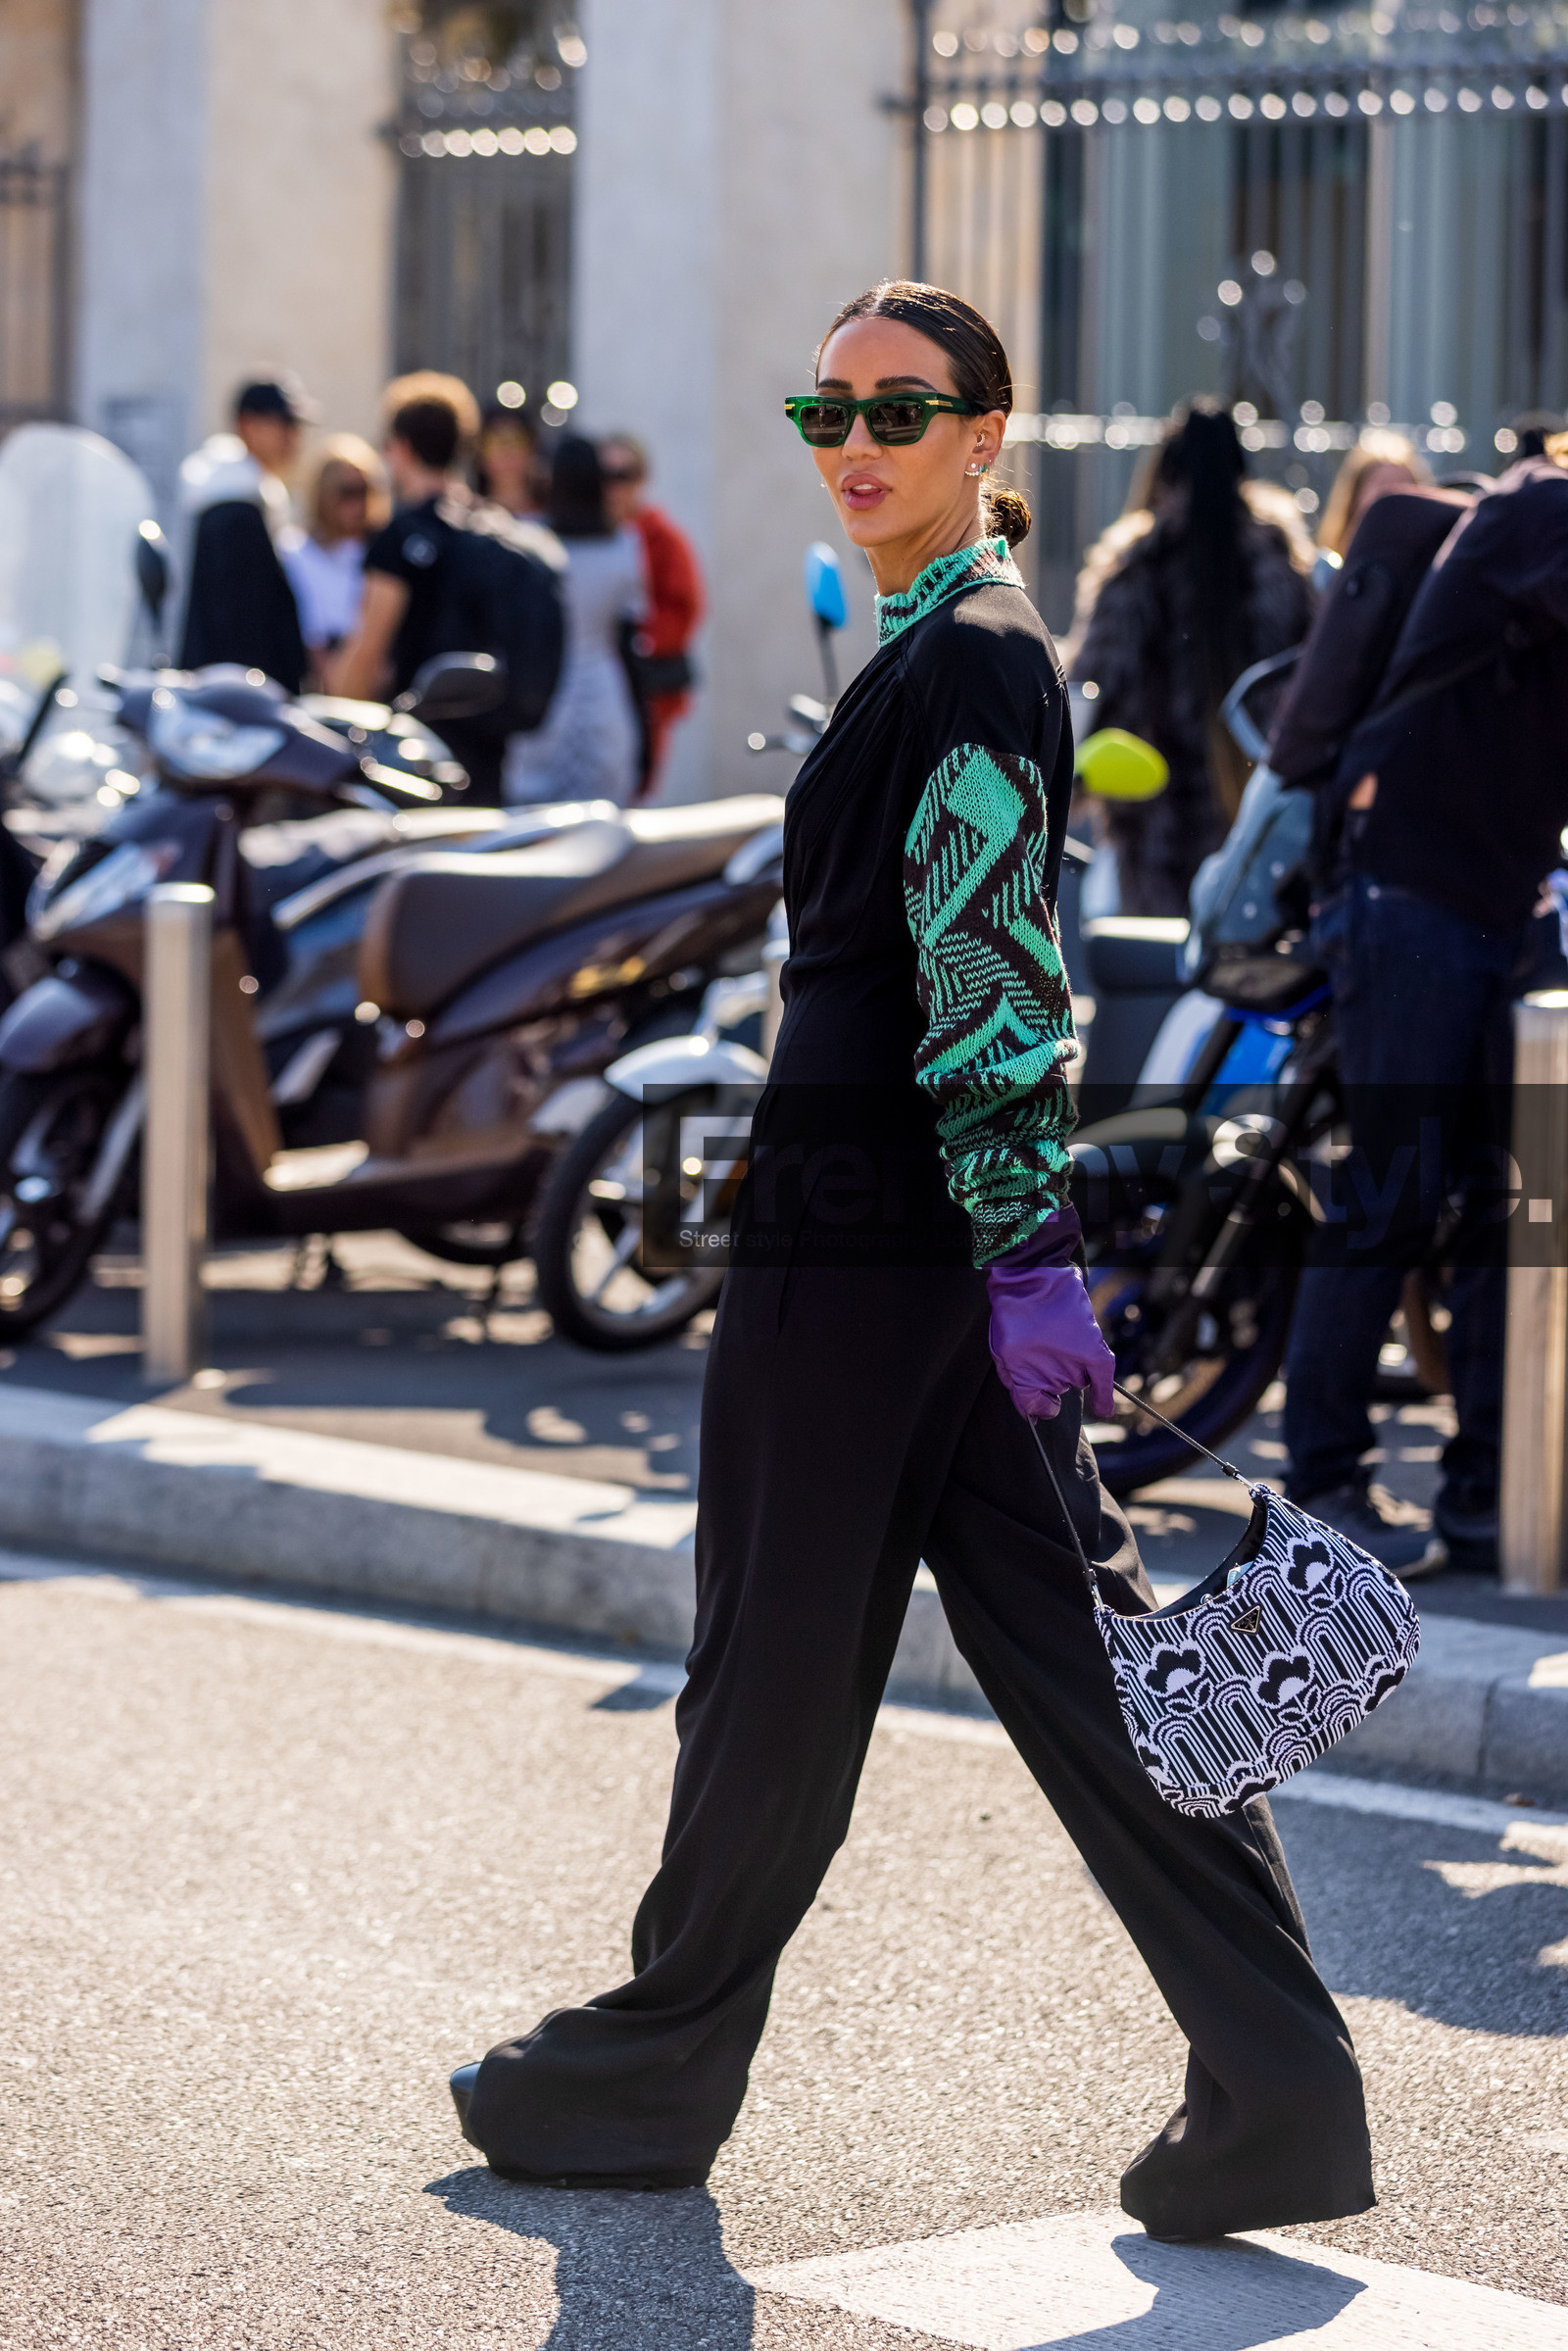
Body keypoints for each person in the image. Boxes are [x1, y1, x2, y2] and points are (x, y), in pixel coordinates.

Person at [449, 281, 1374, 2244]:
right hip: (932, 1239)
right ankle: (1279, 2078)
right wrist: (1009, 1245)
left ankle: (643, 2062)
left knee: (767, 1659)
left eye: (902, 407)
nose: (854, 438)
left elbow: (980, 961)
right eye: (828, 407)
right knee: (1096, 1664)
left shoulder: (963, 661)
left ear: (986, 437)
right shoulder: (951, 643)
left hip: (871, 1236)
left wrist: (1021, 1236)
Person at [1281, 437, 1568, 1573]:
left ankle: (1490, 1492)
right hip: (1406, 892)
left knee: (1514, 1203)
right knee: (1391, 1194)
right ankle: (1323, 1486)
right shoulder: (1540, 511)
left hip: (1499, 900)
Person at [1064, 402, 1314, 917]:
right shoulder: (1284, 564)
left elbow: (1087, 693)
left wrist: (1072, 785)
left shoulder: (1135, 564)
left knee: (1159, 978)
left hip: (1157, 829)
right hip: (1261, 824)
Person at [328, 372, 565, 802]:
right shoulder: (489, 526)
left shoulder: (403, 535)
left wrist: (332, 723)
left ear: (401, 447)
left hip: (414, 761)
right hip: (487, 757)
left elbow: (366, 652)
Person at [502, 436, 647, 808]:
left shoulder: (526, 540)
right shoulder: (626, 544)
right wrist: (646, 730)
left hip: (542, 698)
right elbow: (633, 646)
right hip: (605, 698)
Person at [177, 374, 313, 691]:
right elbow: (241, 623)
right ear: (248, 424)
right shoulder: (233, 507)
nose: (294, 436)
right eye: (284, 423)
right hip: (238, 696)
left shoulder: (250, 495)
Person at [601, 434, 705, 798]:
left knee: (634, 789)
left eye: (623, 475)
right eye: (604, 475)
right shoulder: (584, 534)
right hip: (593, 683)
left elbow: (683, 610)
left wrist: (631, 642)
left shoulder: (663, 538)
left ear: (641, 480)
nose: (613, 487)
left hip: (645, 688)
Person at [278, 435, 390, 685]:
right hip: (310, 673)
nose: (358, 504)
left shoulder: (382, 551)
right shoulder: (294, 549)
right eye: (347, 492)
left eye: (365, 491)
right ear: (324, 493)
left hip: (370, 669)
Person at [1316, 430, 1429, 562]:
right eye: (1383, 486)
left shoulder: (1431, 567)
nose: (1394, 500)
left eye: (1404, 487)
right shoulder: (1328, 567)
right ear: (1354, 497)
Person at [476, 402, 545, 518]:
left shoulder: (554, 517)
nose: (506, 452)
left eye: (516, 440)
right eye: (496, 442)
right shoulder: (467, 519)